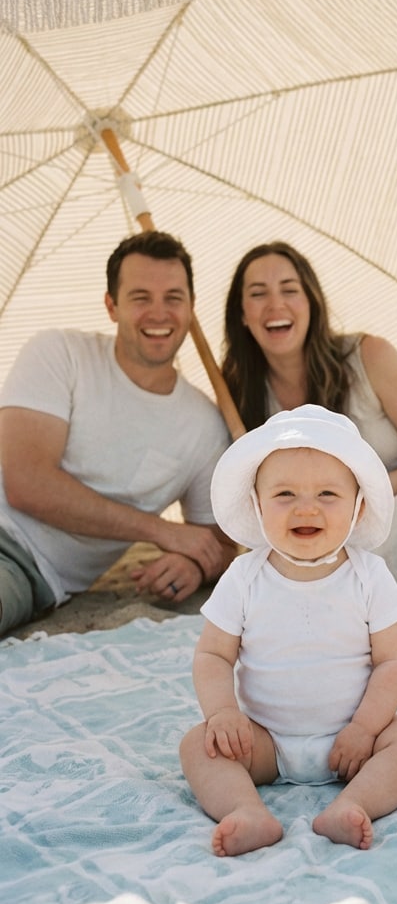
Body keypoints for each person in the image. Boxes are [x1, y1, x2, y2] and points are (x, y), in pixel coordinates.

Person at [179, 404, 397, 856]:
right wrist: (222, 713)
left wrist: (364, 728)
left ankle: (353, 803)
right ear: (257, 506)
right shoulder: (243, 576)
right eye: (284, 495)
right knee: (197, 745)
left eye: (327, 495)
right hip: (264, 741)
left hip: (357, 741)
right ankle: (245, 809)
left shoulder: (369, 576)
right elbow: (214, 655)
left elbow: (393, 661)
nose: (306, 507)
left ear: (357, 510)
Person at [220, 241, 397, 627]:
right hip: (340, 514)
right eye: (258, 294)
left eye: (289, 290)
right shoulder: (238, 392)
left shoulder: (368, 356)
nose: (276, 304)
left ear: (311, 302)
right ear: (242, 315)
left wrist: (370, 495)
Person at [0, 231, 236, 637]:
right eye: (141, 297)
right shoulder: (59, 353)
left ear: (192, 308)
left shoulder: (205, 425)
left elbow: (216, 545)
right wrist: (160, 530)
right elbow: (26, 483)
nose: (159, 313)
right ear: (112, 306)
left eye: (173, 298)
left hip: (24, 566)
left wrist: (194, 565)